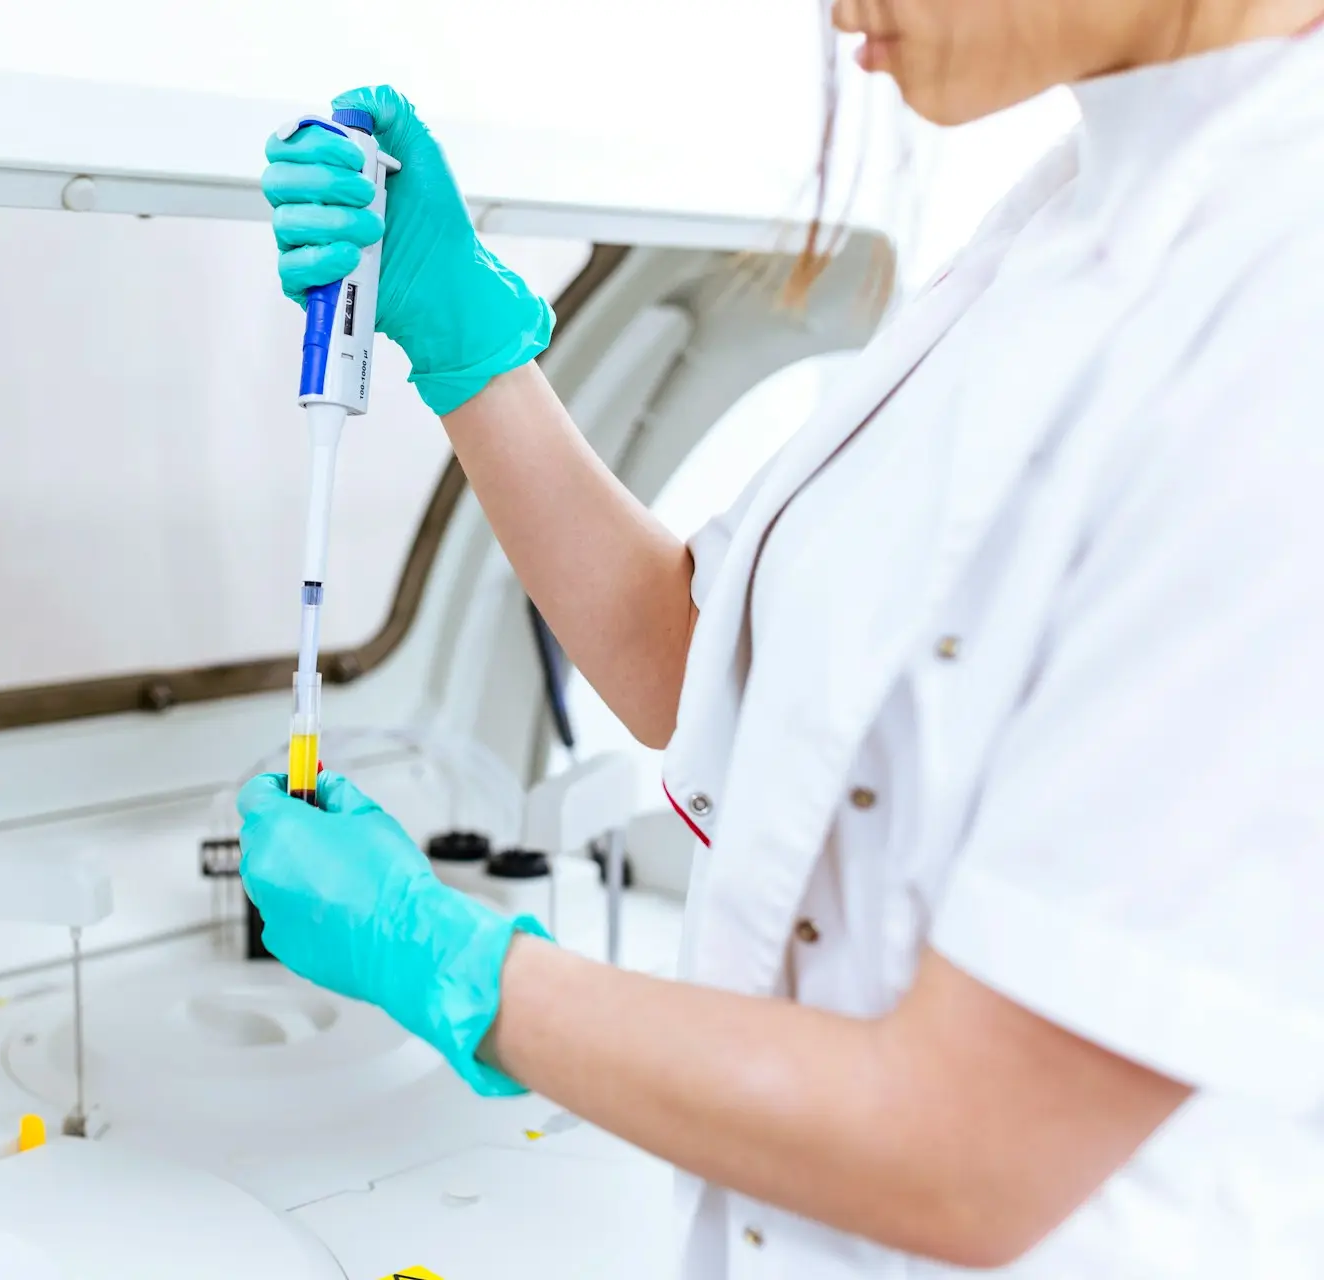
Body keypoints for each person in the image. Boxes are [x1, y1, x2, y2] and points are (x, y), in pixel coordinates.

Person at [237, 2, 1324, 1275]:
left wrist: (452, 964)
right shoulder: (1069, 213)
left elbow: (973, 1148)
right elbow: (693, 662)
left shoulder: (1277, 315)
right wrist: (469, 349)